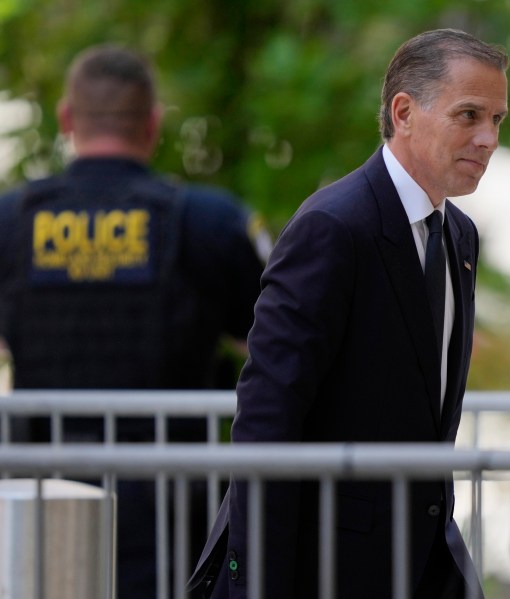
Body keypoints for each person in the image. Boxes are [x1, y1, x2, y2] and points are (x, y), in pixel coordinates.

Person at [188, 28, 509, 598]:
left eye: (497, 120)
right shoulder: (334, 226)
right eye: (469, 115)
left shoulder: (459, 234)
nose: (488, 138)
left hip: (423, 557)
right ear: (404, 113)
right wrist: (256, 578)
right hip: (328, 565)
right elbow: (269, 414)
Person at [0, 45, 268, 599]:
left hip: (39, 501)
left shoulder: (9, 223)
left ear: (68, 119)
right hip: (174, 512)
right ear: (152, 123)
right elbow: (274, 346)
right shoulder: (208, 221)